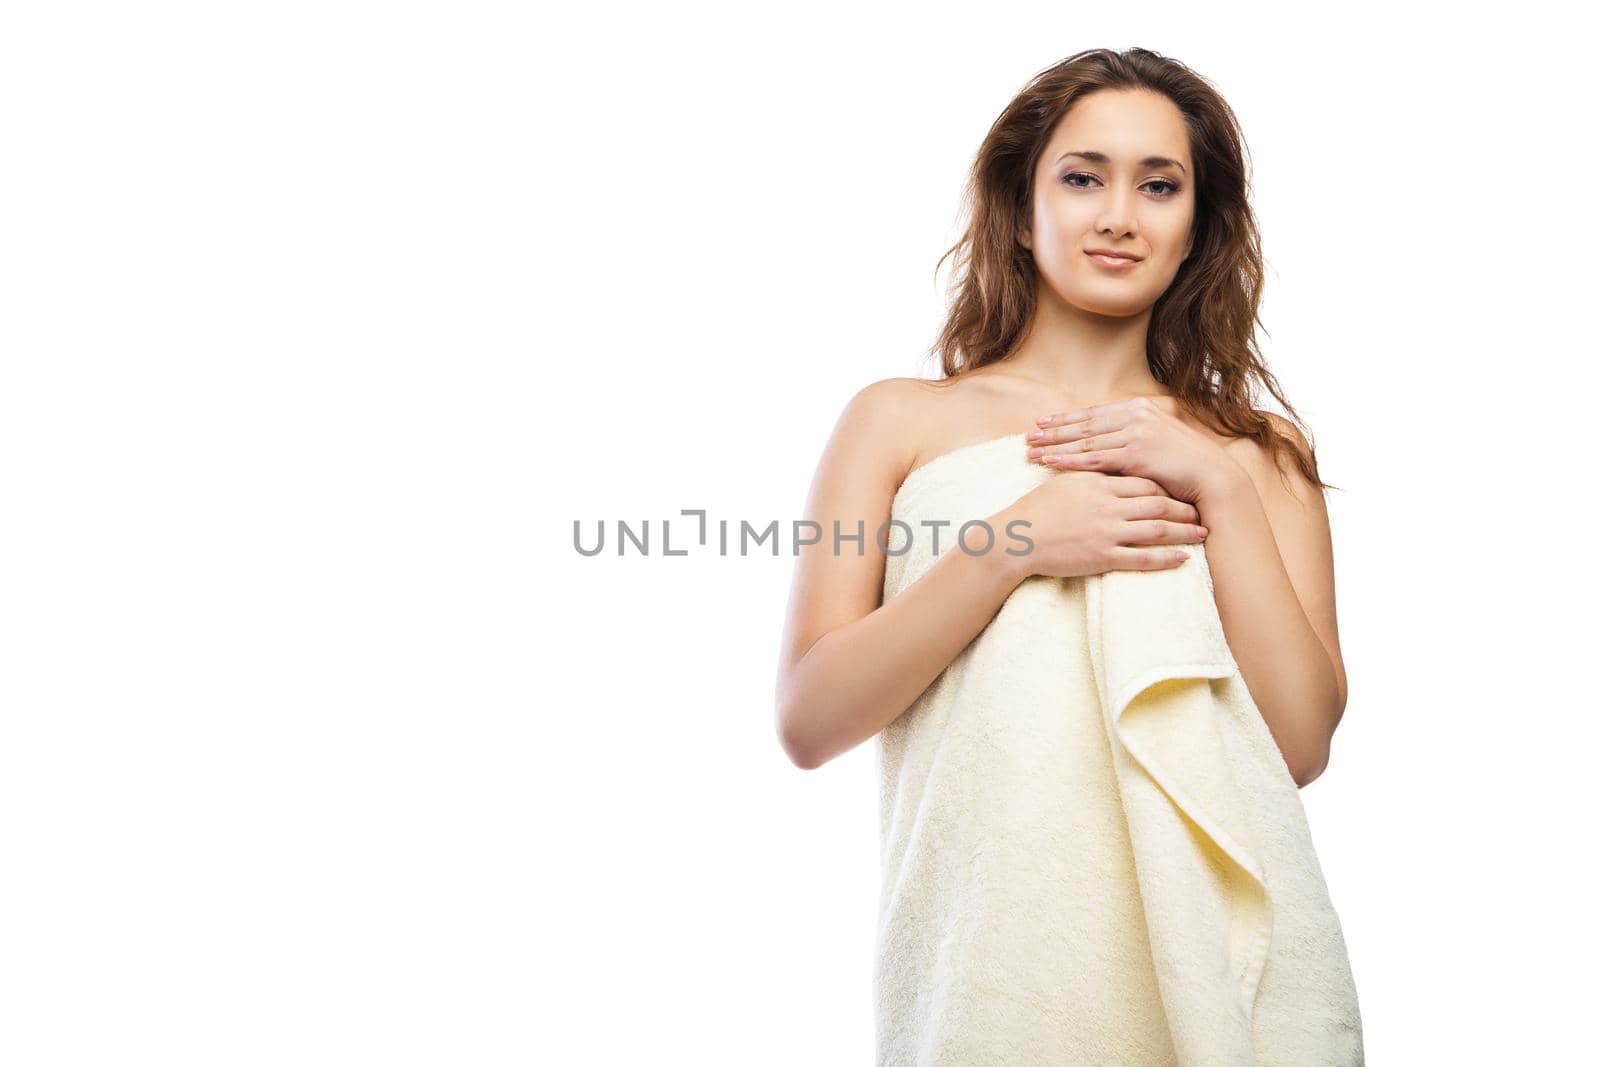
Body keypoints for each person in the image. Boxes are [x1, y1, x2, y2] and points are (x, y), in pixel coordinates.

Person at [774, 47, 1363, 1065]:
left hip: (1224, 965)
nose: (1118, 214)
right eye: (1082, 176)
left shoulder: (1258, 455)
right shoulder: (898, 422)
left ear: (1198, 225)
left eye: (1160, 183)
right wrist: (1014, 546)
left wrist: (1214, 480)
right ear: (1019, 206)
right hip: (993, 957)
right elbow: (810, 715)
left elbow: (1299, 742)